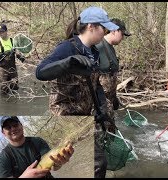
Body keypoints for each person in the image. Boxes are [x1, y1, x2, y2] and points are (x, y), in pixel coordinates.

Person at [35, 6, 119, 178]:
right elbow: (40, 72)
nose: (105, 32)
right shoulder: (67, 48)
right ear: (91, 27)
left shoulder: (95, 51)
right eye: (103, 28)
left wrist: (102, 107)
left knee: (94, 162)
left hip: (86, 115)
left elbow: (95, 85)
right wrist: (67, 62)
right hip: (65, 116)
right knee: (86, 162)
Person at [0, 116, 74, 178]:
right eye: (8, 127)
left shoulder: (37, 141)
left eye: (15, 125)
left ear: (21, 126)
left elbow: (54, 167)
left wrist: (59, 163)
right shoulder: (3, 158)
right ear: (3, 133)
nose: (13, 129)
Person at [96, 18, 131, 133]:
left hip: (109, 101)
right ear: (114, 30)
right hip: (101, 103)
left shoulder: (110, 48)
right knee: (104, 133)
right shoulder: (98, 46)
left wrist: (114, 97)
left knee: (110, 131)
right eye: (122, 34)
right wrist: (100, 104)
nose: (123, 38)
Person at [0, 24, 25, 96]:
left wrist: (20, 57)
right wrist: (3, 54)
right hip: (2, 68)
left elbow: (18, 52)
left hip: (13, 68)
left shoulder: (13, 41)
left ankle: (14, 103)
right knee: (4, 89)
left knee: (15, 87)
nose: (0, 33)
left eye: (2, 32)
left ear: (6, 31)